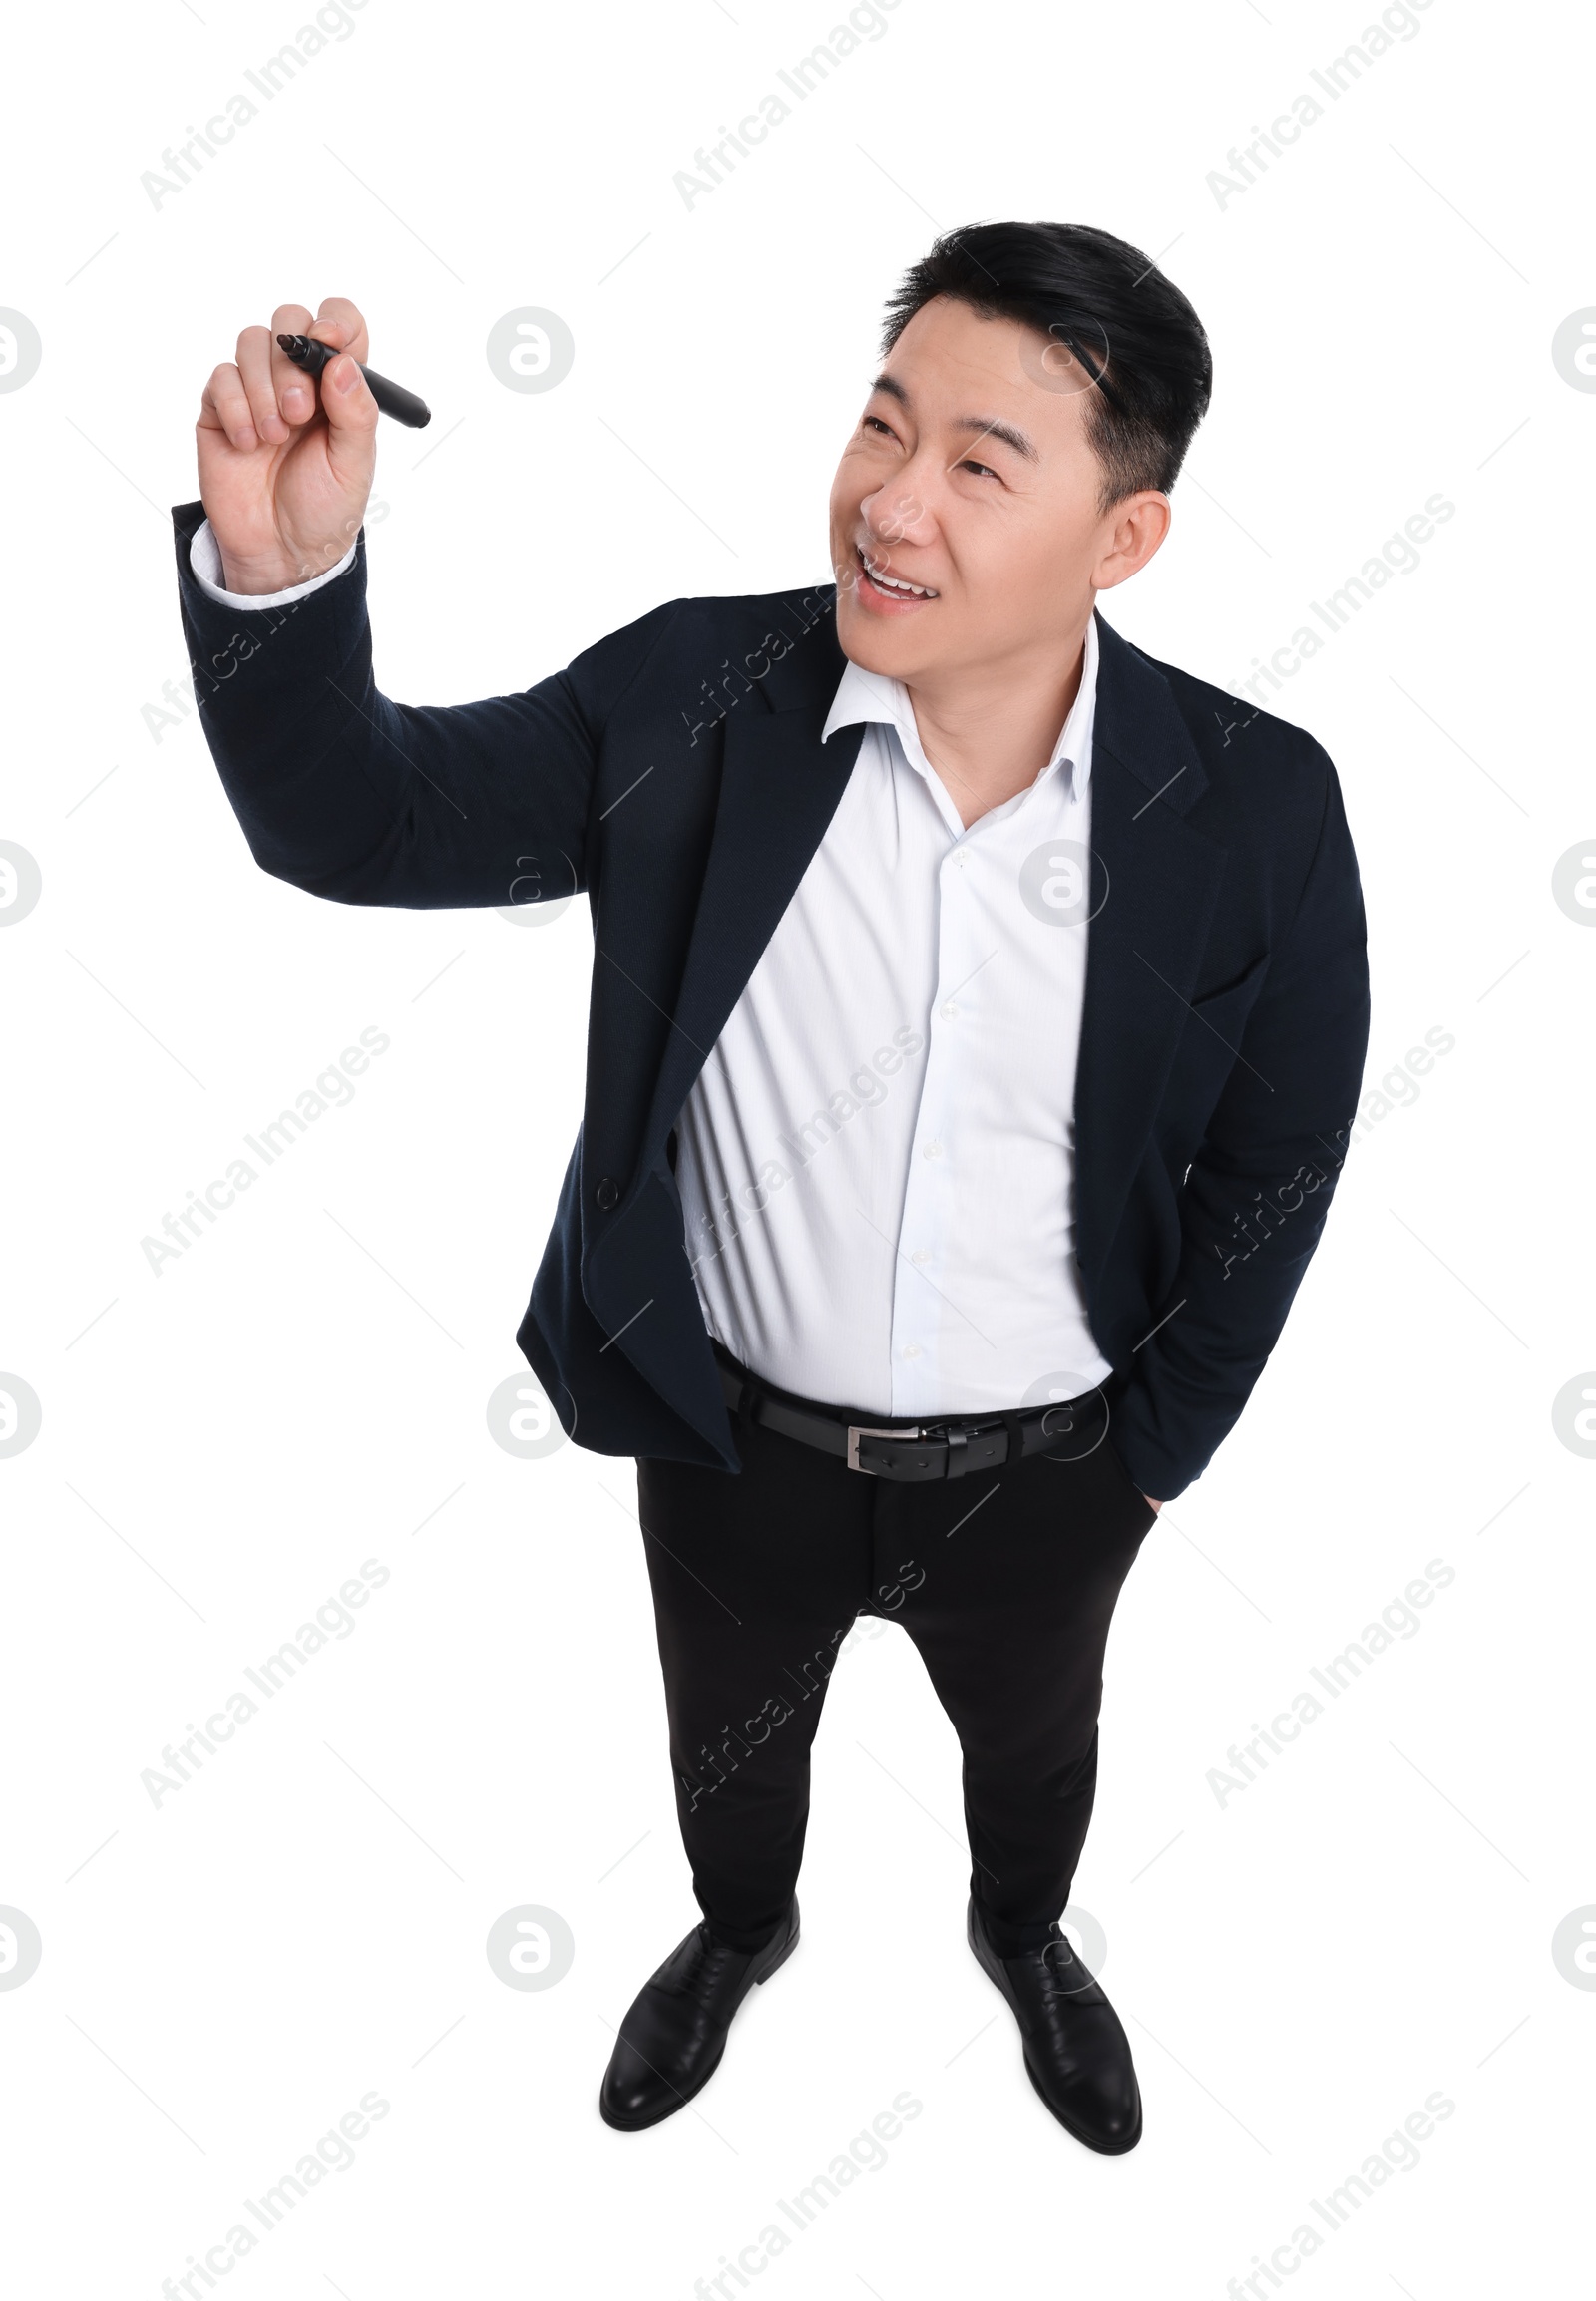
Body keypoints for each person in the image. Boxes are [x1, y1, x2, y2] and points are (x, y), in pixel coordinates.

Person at [173, 221, 1370, 2155]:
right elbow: (356, 815)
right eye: (879, 426)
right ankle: (739, 1930)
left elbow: (1277, 1153)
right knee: (727, 1767)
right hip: (731, 1444)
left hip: (1050, 1467)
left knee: (1034, 1758)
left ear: (1119, 538)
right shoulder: (693, 700)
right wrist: (285, 565)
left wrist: (1146, 1450)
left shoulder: (1251, 804)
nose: (885, 504)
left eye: (977, 466)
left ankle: (1020, 1933)